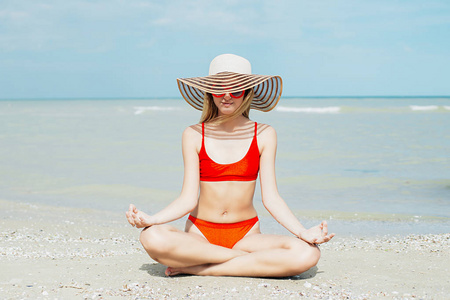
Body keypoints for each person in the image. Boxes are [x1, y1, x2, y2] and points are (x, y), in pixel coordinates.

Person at [126, 54, 335, 277]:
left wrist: (302, 232)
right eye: (219, 88)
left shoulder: (264, 134)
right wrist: (152, 219)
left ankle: (201, 268)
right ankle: (251, 263)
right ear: (210, 92)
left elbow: (271, 198)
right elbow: (187, 199)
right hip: (200, 234)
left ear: (246, 93)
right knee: (150, 236)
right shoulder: (194, 134)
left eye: (236, 89)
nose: (227, 96)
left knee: (308, 254)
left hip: (247, 235)